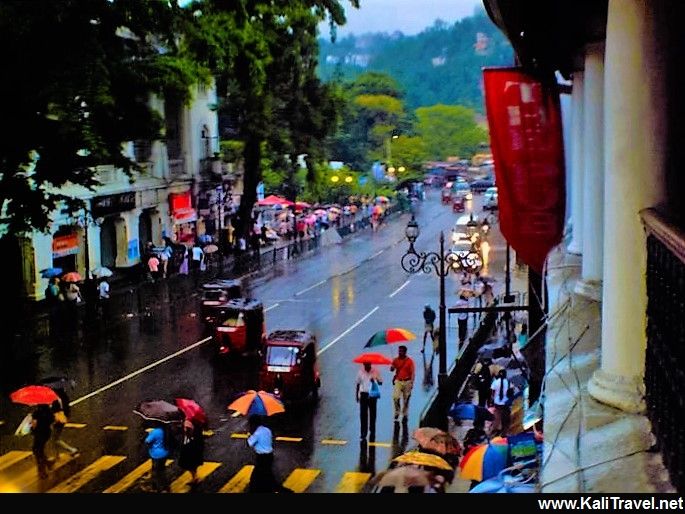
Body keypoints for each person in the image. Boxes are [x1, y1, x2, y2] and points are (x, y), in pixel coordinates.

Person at [247, 415, 280, 493]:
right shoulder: (267, 430)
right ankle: (273, 487)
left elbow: (249, 443)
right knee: (267, 473)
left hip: (262, 457)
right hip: (270, 455)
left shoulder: (257, 433)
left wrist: (249, 435)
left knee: (255, 476)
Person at [355, 362, 383, 441]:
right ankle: (363, 432)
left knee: (373, 413)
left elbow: (380, 382)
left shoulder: (375, 371)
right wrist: (357, 395)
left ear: (370, 364)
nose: (367, 366)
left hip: (372, 395)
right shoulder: (360, 372)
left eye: (368, 365)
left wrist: (374, 380)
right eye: (365, 365)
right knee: (363, 414)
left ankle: (372, 430)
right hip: (363, 394)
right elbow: (357, 384)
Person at [390, 345, 415, 422]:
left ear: (405, 352)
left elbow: (412, 373)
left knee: (406, 399)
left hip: (407, 381)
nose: (400, 352)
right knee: (396, 397)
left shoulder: (409, 361)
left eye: (401, 351)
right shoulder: (395, 360)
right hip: (398, 380)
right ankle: (397, 411)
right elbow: (392, 369)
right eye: (399, 351)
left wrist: (411, 383)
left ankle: (405, 413)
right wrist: (392, 367)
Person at [145, 424, 171, 492]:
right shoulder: (166, 430)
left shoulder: (155, 432)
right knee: (162, 470)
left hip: (156, 455)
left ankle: (156, 487)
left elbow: (147, 441)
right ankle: (165, 487)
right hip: (164, 453)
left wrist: (150, 433)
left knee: (156, 471)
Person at [178, 419, 204, 487]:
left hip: (190, 451)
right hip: (190, 450)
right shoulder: (194, 431)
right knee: (191, 465)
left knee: (190, 464)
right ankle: (195, 477)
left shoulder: (192, 435)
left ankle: (195, 478)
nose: (185, 429)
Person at [31, 404, 54, 479]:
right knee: (40, 450)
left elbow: (34, 425)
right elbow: (52, 421)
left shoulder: (36, 413)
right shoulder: (49, 411)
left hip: (39, 433)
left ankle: (42, 471)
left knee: (37, 451)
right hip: (46, 433)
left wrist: (32, 427)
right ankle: (48, 463)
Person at [490, 369, 512, 437]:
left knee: (497, 416)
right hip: (505, 403)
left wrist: (493, 399)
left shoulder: (495, 382)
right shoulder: (509, 383)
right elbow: (511, 391)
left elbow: (492, 392)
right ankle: (504, 432)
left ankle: (496, 430)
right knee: (505, 418)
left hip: (497, 403)